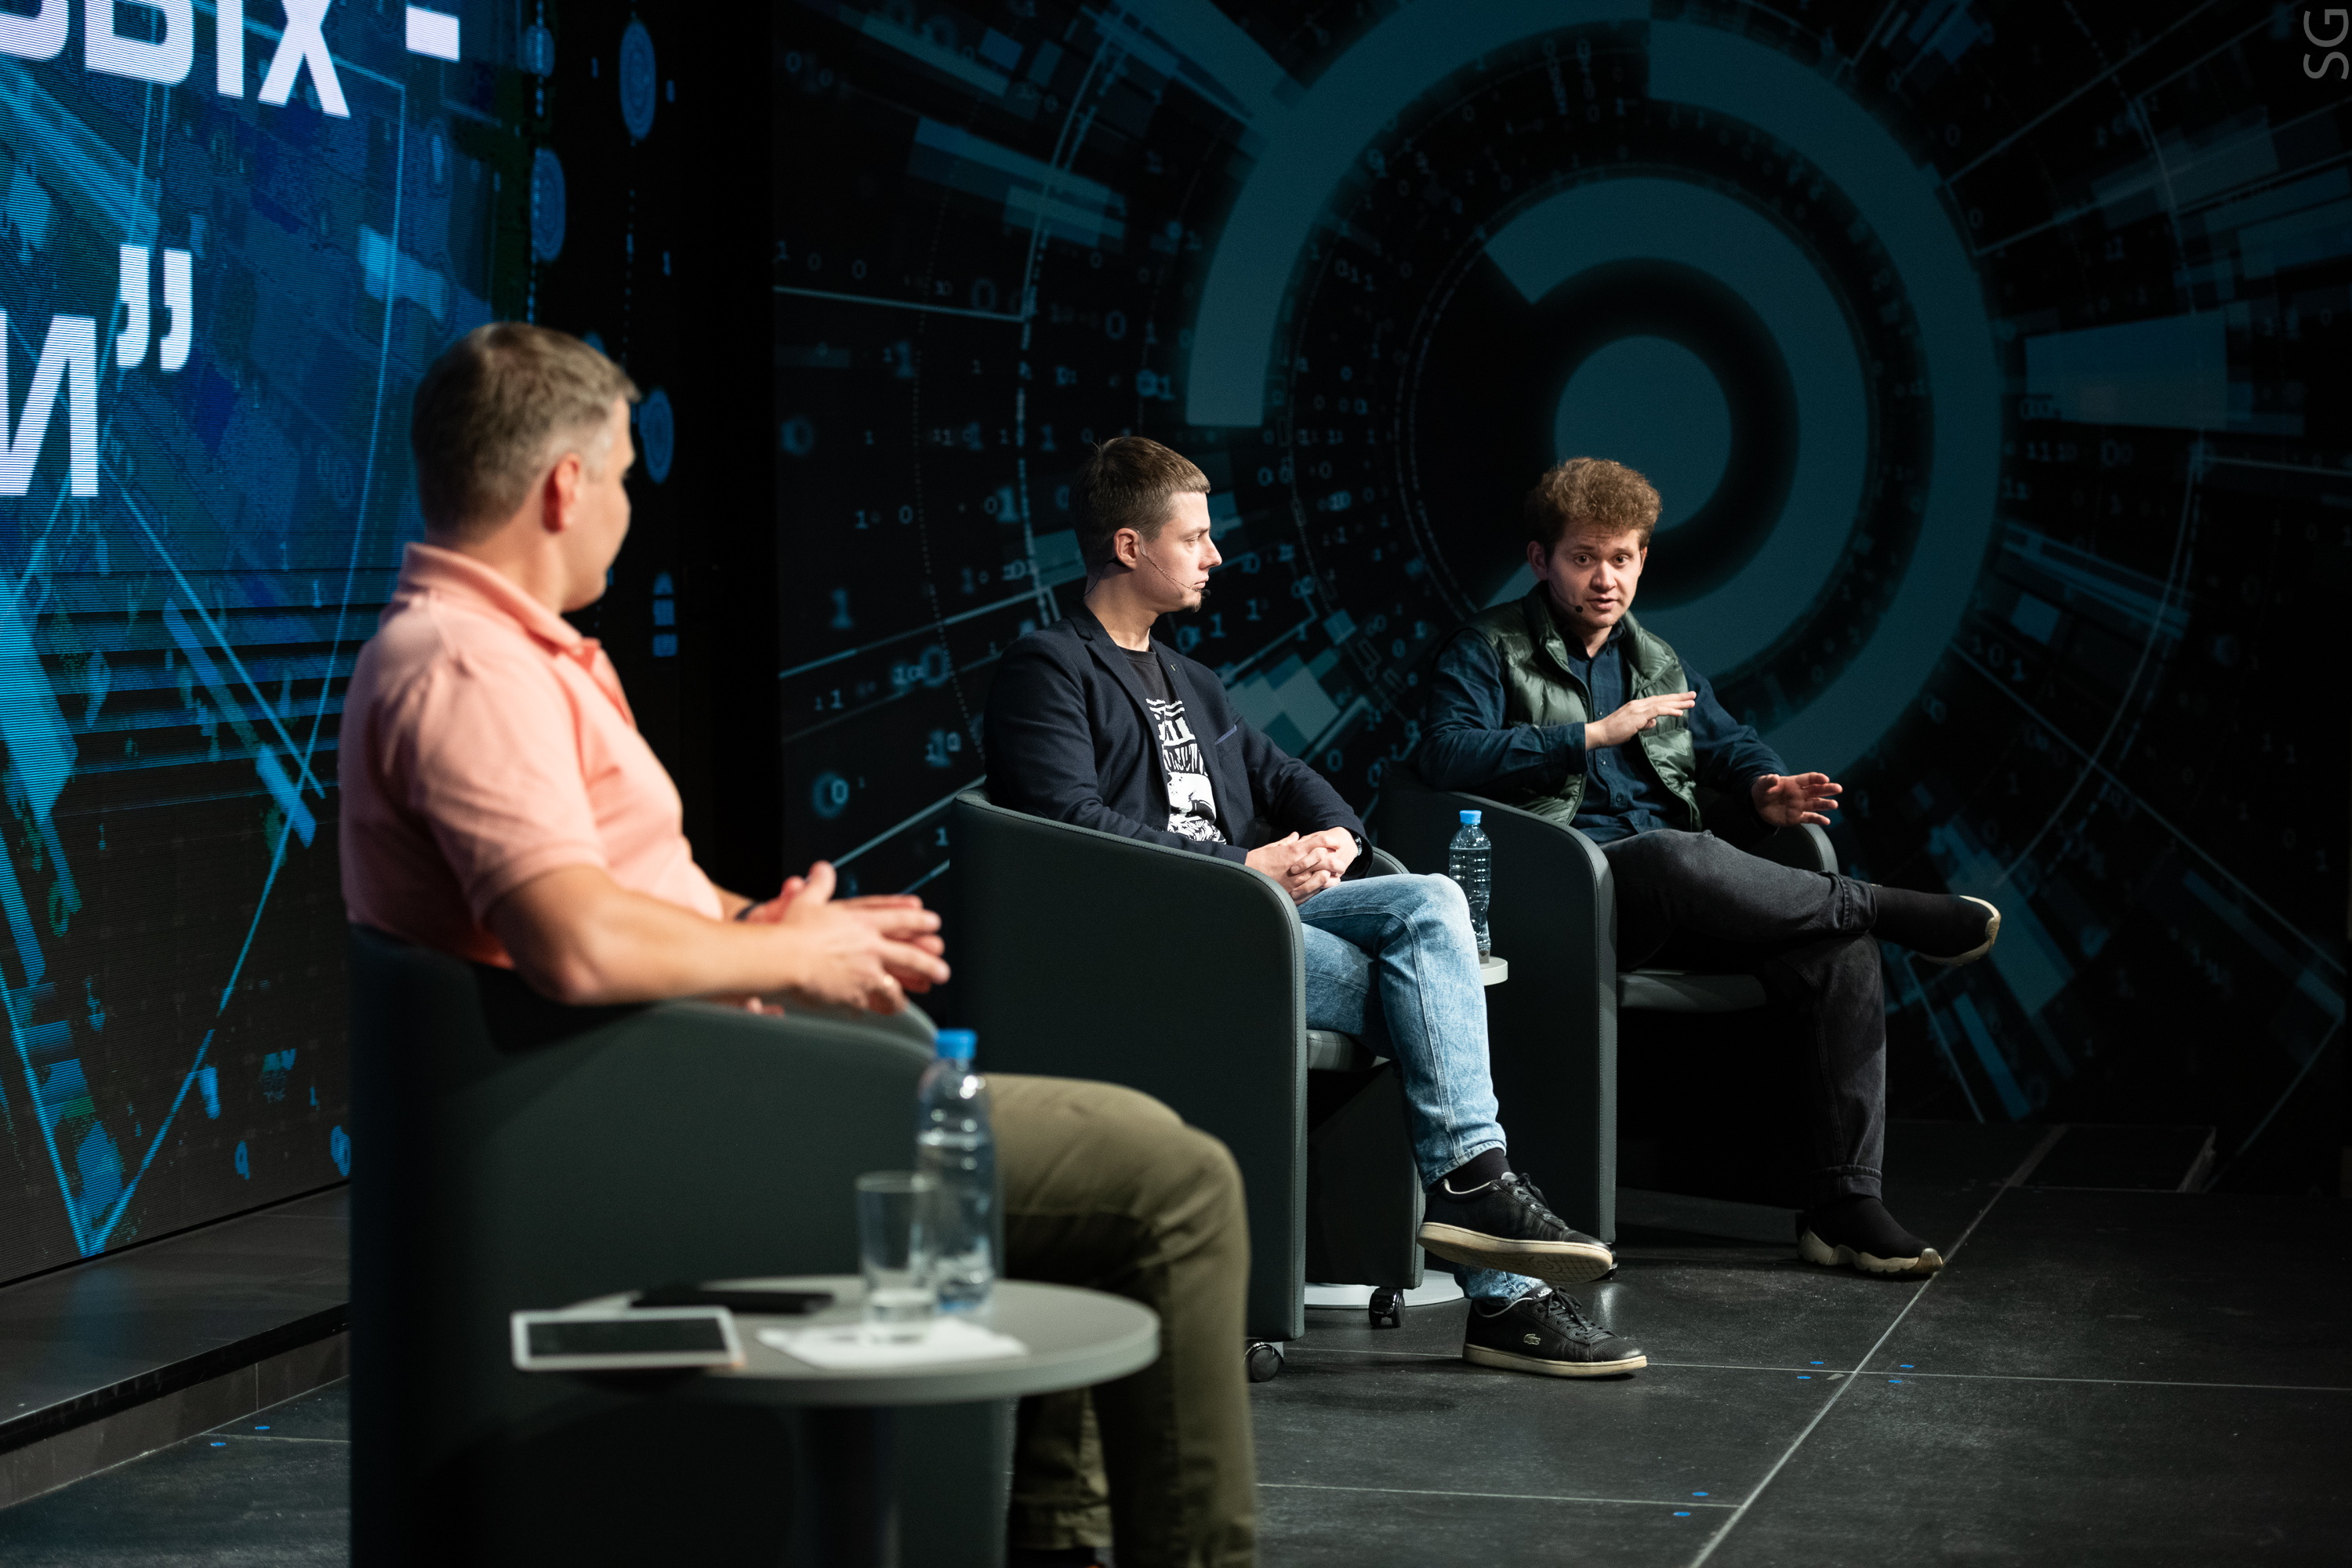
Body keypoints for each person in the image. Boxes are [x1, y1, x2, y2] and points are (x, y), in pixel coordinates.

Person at [338, 325, 1251, 1568]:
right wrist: (790, 962)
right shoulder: (468, 669)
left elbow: (614, 897)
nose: (626, 510)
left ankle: (1064, 1545)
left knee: (1135, 1149)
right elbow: (575, 942)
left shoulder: (504, 655)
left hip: (700, 1080)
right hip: (673, 1120)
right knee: (1174, 1183)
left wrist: (757, 923)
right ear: (563, 486)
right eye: (621, 479)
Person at [984, 436, 1645, 1381]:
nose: (1214, 555)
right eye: (1194, 537)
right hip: (1165, 927)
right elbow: (1069, 824)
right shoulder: (1050, 667)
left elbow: (1286, 774)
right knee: (1424, 997)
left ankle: (1476, 1192)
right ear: (1129, 546)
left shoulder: (1189, 678)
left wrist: (1335, 836)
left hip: (1249, 910)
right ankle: (1501, 1281)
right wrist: (1243, 863)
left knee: (1431, 898)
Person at [1414, 458, 2004, 1277]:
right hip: (1571, 894)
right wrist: (1589, 736)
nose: (1606, 579)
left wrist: (1765, 788)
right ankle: (1886, 904)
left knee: (1839, 952)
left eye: (1622, 558)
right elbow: (1443, 754)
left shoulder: (1658, 661)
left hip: (1684, 890)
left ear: (1643, 559)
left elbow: (1730, 744)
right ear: (1541, 559)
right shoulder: (1486, 649)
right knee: (1672, 851)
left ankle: (1844, 1205)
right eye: (1584, 558)